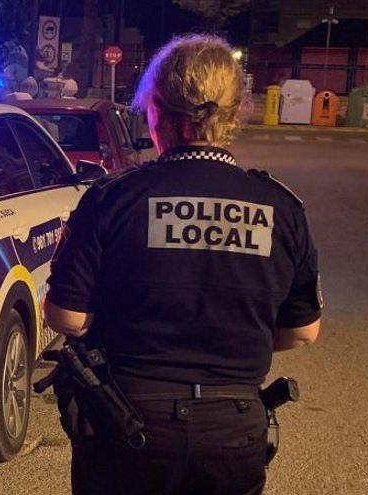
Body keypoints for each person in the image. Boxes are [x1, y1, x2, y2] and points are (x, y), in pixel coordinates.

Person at [44, 34, 322, 495]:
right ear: (236, 112)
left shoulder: (114, 198)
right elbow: (302, 331)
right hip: (233, 428)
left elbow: (66, 316)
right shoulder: (281, 208)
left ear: (155, 111)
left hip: (127, 421)